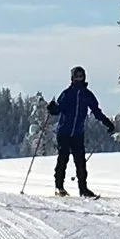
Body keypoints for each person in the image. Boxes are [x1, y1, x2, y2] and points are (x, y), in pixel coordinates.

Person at [48, 64, 114, 196]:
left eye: (81, 76)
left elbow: (96, 111)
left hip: (78, 133)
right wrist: (52, 108)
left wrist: (107, 123)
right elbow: (58, 110)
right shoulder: (67, 94)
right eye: (77, 76)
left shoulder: (87, 95)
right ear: (72, 78)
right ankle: (59, 187)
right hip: (64, 133)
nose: (79, 78)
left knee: (80, 162)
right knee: (63, 159)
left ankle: (83, 189)